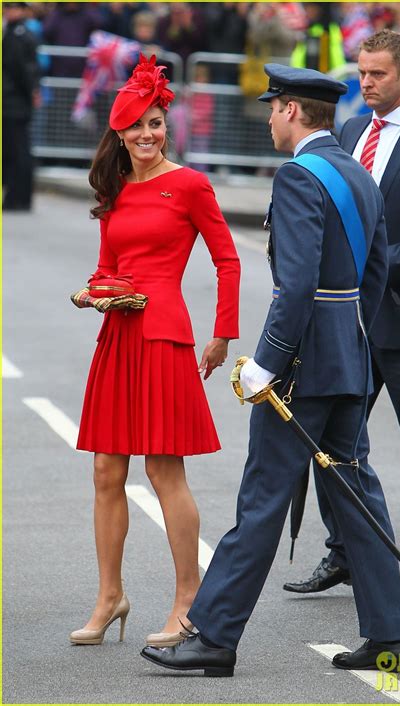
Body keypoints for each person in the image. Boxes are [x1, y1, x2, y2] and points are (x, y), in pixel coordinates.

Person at [140, 63, 400, 677]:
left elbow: (294, 288)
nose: (268, 118)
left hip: (301, 367)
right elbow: (373, 280)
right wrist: (349, 345)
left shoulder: (298, 178)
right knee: (354, 494)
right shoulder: (359, 175)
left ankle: (212, 635)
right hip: (347, 359)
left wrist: (266, 363)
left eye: (273, 108)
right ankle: (391, 636)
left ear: (293, 111)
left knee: (263, 498)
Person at [284, 30, 400, 606]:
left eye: (378, 74)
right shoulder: (347, 132)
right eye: (361, 73)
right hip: (354, 323)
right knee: (327, 438)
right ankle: (343, 551)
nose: (365, 83)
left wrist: (388, 263)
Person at [69, 54, 240, 647]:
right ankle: (110, 596)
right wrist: (95, 293)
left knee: (164, 469)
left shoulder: (190, 184)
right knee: (104, 470)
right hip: (117, 337)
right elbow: (106, 266)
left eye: (156, 123)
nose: (147, 135)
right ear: (118, 132)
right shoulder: (113, 191)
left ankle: (187, 600)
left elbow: (227, 259)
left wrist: (223, 333)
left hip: (165, 334)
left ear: (168, 126)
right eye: (136, 126)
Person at [2, 1, 41, 212]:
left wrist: (31, 91)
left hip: (13, 102)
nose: (8, 11)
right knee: (18, 149)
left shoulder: (18, 35)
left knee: (16, 151)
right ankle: (18, 197)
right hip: (15, 100)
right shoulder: (18, 32)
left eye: (12, 7)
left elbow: (23, 70)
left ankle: (18, 197)